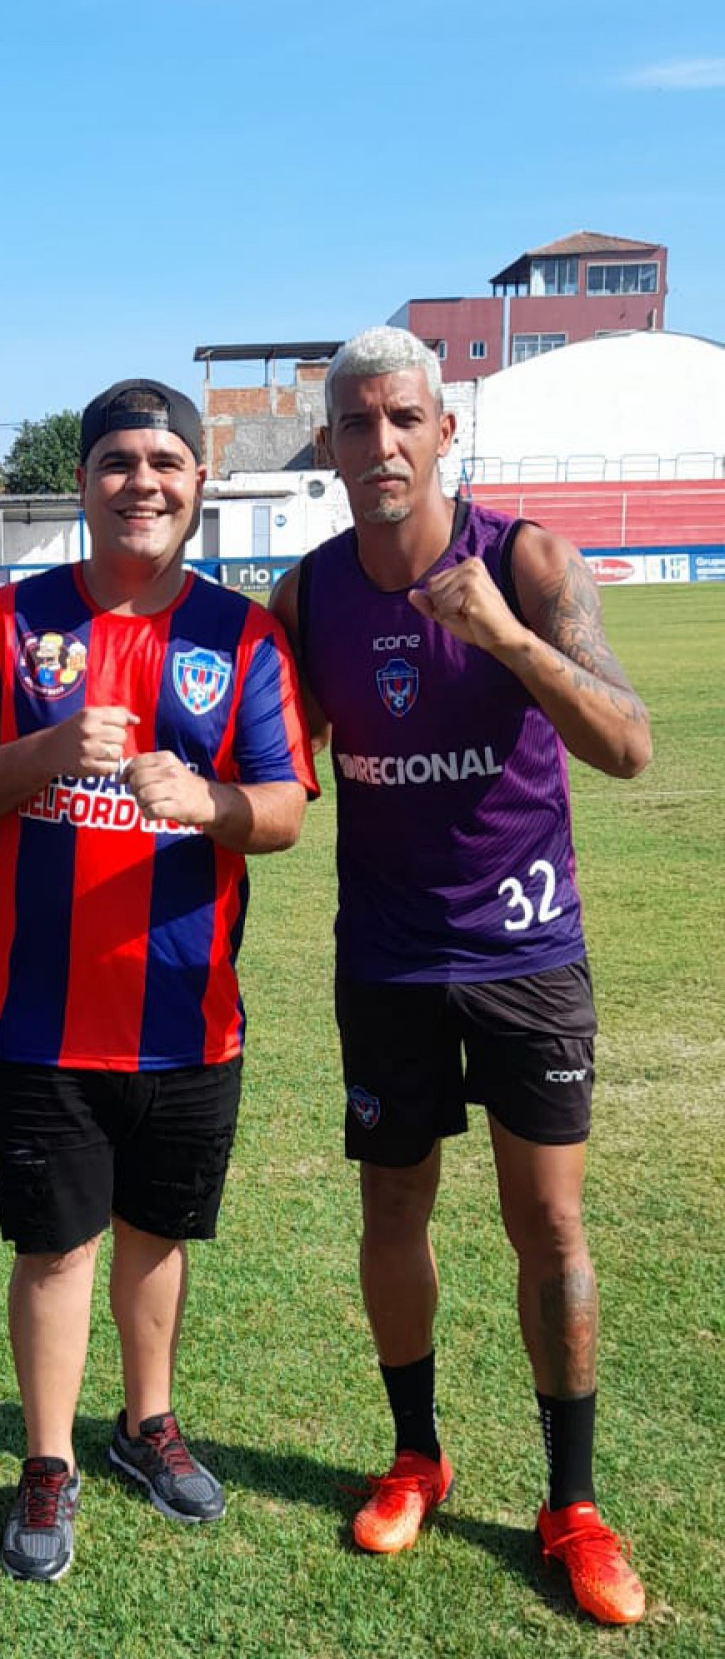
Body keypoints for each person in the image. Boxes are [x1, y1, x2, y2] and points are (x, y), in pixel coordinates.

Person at [270, 326, 652, 1627]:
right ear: (327, 448)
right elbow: (281, 768)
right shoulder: (309, 596)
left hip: (528, 955)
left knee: (548, 1226)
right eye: (355, 425)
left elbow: (629, 744)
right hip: (386, 967)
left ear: (445, 433)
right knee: (394, 1218)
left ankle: (574, 1504)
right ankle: (417, 1455)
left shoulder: (529, 563)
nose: (380, 444)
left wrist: (503, 637)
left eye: (402, 420)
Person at [0, 380, 316, 1582]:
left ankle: (146, 1425)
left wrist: (212, 803)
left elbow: (288, 805)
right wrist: (46, 752)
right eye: (115, 462)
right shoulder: (8, 621)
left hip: (190, 1021)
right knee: (54, 1252)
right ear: (83, 483)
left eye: (165, 461)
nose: (141, 481)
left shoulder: (242, 637)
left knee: (158, 1237)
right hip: (41, 1023)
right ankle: (49, 1462)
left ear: (199, 483)